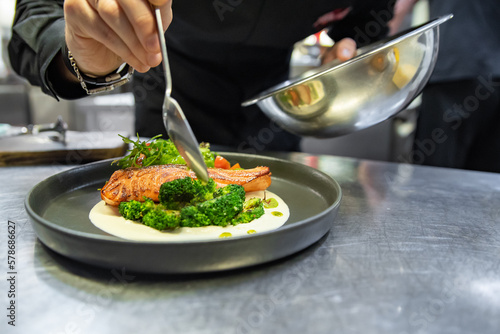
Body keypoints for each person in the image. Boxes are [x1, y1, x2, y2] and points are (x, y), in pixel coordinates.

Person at [9, 0, 395, 152]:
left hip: (274, 106)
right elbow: (35, 21)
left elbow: (369, 19)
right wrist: (84, 59)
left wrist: (348, 49)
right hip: (171, 83)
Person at [392, 0, 500, 172]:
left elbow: (400, 6)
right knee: (488, 182)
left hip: (450, 76)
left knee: (436, 176)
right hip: (493, 77)